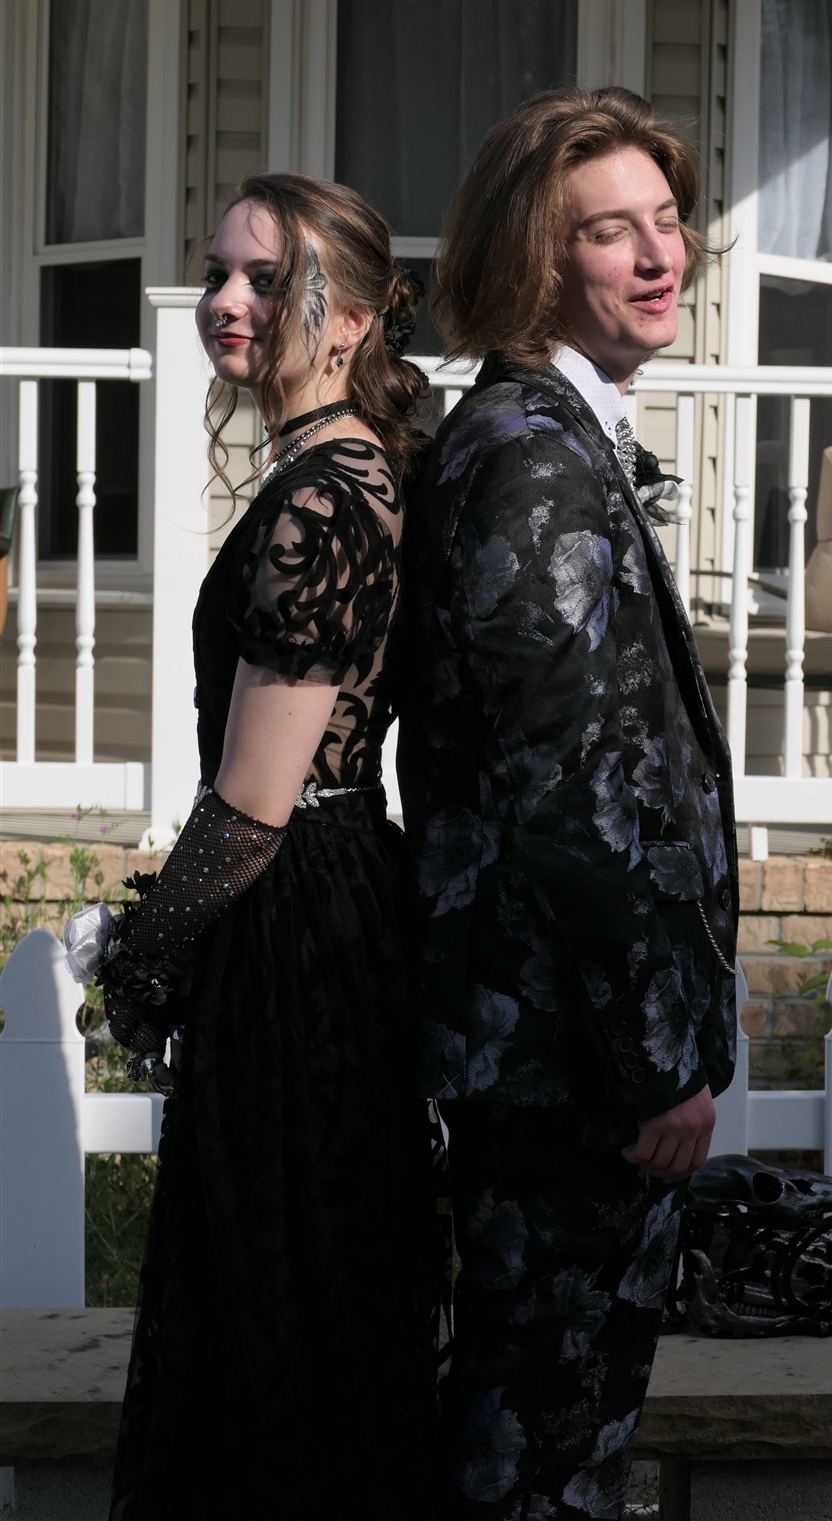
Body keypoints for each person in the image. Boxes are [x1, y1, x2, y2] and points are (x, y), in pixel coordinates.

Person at [397, 86, 738, 1520]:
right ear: (536, 259)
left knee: (556, 1438)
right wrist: (657, 1058)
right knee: (542, 1452)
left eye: (667, 220)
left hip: (561, 1055)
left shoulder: (554, 433)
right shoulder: (532, 456)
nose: (660, 257)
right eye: (612, 232)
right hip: (565, 1068)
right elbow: (569, 799)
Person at [78, 173, 438, 1519]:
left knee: (278, 1295)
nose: (226, 301)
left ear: (348, 317)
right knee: (297, 1289)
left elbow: (252, 805)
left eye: (265, 279)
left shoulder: (324, 501)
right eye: (217, 272)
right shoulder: (334, 469)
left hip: (295, 922)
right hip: (321, 900)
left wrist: (144, 958)